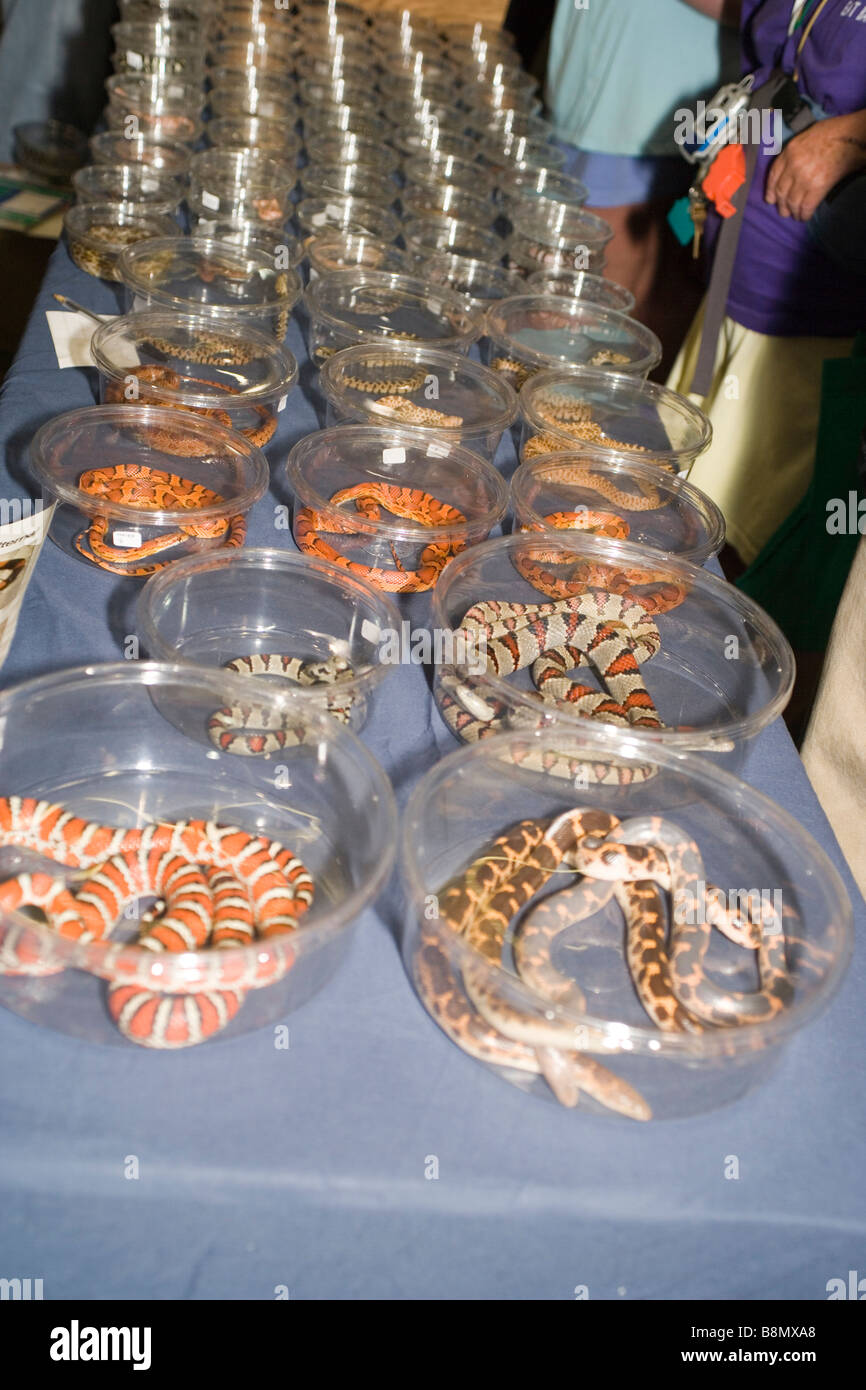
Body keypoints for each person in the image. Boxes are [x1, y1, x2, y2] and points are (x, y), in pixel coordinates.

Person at [670, 0, 866, 568]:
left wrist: (851, 136)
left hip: (814, 306)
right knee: (688, 500)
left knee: (764, 548)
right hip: (738, 261)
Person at [542, 0, 738, 373]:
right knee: (558, 304)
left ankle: (592, 418)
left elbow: (783, 14)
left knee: (592, 317)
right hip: (583, 93)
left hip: (648, 112)